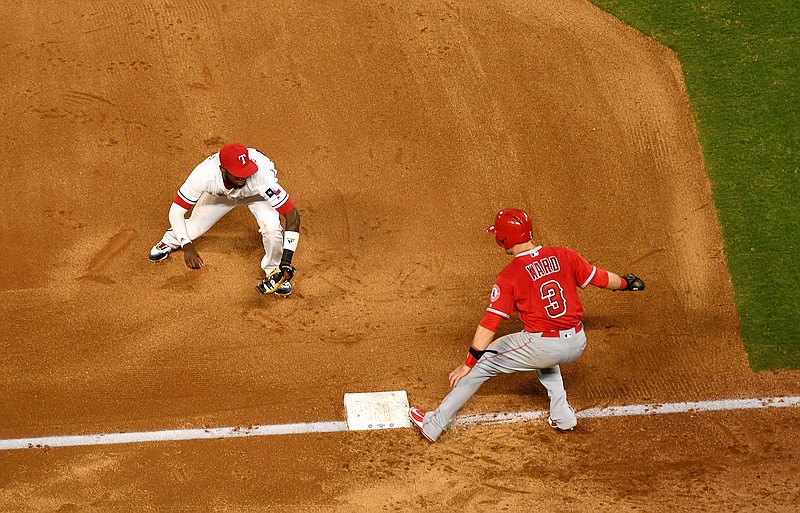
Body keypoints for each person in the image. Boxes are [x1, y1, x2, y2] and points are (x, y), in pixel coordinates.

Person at [409, 208, 644, 441]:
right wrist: (626, 283)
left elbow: (490, 322)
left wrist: (468, 363)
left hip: (543, 346)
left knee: (484, 363)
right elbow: (601, 278)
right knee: (537, 350)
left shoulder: (510, 275)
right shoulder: (564, 254)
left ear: (503, 239)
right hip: (577, 342)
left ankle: (433, 424)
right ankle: (563, 416)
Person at [148, 142, 300, 296]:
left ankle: (274, 270)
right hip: (221, 196)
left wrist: (286, 262)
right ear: (222, 169)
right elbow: (176, 211)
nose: (243, 177)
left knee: (272, 229)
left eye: (245, 171)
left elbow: (292, 214)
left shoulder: (261, 176)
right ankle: (169, 240)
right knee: (193, 229)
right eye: (237, 173)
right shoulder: (204, 175)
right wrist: (187, 245)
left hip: (257, 195)